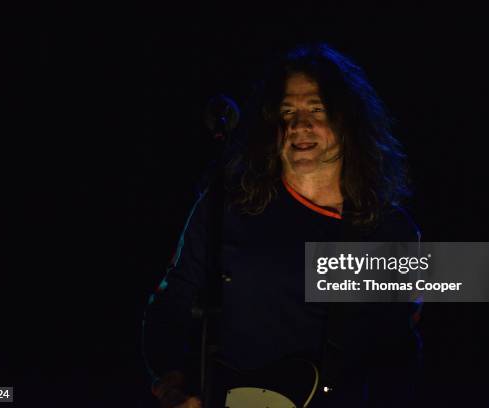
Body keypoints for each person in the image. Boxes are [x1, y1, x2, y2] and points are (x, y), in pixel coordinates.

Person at [143, 43, 423, 407]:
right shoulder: (228, 207)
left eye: (317, 109)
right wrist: (171, 385)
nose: (299, 124)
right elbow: (171, 304)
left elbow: (398, 355)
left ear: (348, 121)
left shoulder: (389, 232)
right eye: (286, 111)